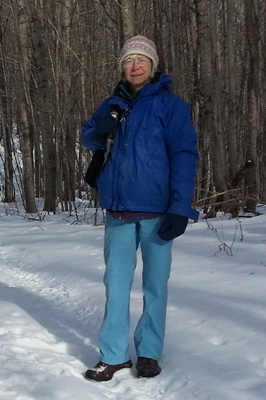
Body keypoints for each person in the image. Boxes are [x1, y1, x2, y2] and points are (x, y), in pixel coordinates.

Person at [81, 35, 199, 381]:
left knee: (155, 286)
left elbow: (184, 155)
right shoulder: (111, 103)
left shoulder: (171, 106)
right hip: (118, 210)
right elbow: (89, 136)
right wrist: (102, 127)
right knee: (115, 285)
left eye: (142, 60)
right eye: (129, 60)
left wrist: (180, 207)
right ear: (123, 66)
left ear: (153, 65)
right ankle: (114, 355)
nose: (135, 65)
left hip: (159, 210)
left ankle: (148, 352)